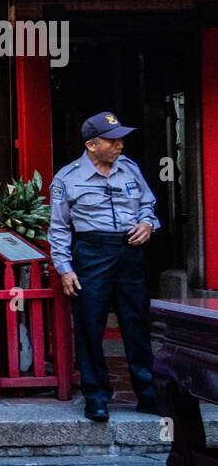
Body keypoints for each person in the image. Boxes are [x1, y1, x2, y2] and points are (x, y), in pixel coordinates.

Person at [49, 111, 160, 422]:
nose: (120, 145)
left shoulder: (130, 169)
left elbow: (147, 204)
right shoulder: (67, 178)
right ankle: (96, 396)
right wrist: (65, 267)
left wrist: (147, 224)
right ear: (92, 145)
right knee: (89, 325)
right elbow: (58, 228)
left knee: (136, 323)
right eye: (113, 141)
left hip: (129, 252)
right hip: (91, 252)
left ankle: (148, 393)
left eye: (121, 139)